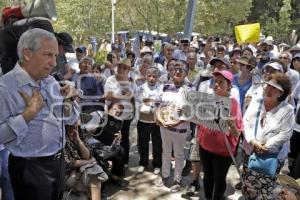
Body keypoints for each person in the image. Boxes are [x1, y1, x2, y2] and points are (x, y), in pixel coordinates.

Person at [0, 28, 80, 200]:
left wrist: (69, 100)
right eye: (48, 55)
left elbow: (70, 119)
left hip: (58, 162)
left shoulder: (50, 80)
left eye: (55, 56)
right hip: (30, 169)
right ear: (27, 54)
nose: (53, 62)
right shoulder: (5, 88)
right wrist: (28, 114)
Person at [241, 73, 294, 199]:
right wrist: (254, 142)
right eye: (268, 86)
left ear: (281, 93)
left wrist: (266, 146)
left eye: (275, 88)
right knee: (248, 188)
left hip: (272, 156)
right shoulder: (256, 101)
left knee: (265, 190)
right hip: (250, 151)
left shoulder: (288, 109)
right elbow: (246, 122)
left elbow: (286, 133)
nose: (269, 89)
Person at [197, 70, 243, 200]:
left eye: (221, 82)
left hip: (223, 151)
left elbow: (237, 133)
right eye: (215, 81)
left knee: (219, 178)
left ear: (229, 86)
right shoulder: (206, 99)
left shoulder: (233, 104)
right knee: (207, 175)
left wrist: (232, 125)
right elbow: (198, 121)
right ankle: (207, 197)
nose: (216, 84)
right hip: (204, 147)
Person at [155, 60, 195, 192]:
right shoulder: (164, 86)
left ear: (186, 73)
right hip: (164, 127)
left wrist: (178, 120)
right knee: (165, 152)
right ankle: (165, 175)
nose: (177, 71)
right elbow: (157, 105)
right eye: (175, 68)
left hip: (181, 129)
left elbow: (192, 112)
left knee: (179, 154)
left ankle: (177, 180)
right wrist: (159, 119)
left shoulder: (190, 89)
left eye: (181, 69)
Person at [104, 58, 136, 166]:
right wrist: (122, 95)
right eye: (120, 67)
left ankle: (124, 162)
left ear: (128, 70)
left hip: (127, 116)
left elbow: (134, 97)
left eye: (124, 68)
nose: (121, 69)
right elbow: (108, 95)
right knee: (112, 138)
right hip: (113, 115)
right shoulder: (111, 79)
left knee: (124, 138)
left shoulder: (131, 81)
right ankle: (112, 163)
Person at [64, 121, 108, 200]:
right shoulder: (62, 136)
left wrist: (78, 140)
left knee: (94, 172)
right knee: (94, 172)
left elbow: (87, 156)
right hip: (68, 173)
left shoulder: (80, 132)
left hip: (83, 169)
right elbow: (70, 163)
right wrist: (89, 161)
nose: (76, 121)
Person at [136, 67, 163, 174]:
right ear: (146, 76)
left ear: (157, 78)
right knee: (143, 142)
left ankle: (157, 164)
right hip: (143, 120)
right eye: (149, 76)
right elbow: (138, 102)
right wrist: (150, 103)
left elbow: (160, 101)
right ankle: (143, 162)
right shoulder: (140, 88)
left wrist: (148, 102)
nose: (151, 78)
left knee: (157, 143)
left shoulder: (161, 88)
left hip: (156, 121)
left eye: (154, 76)